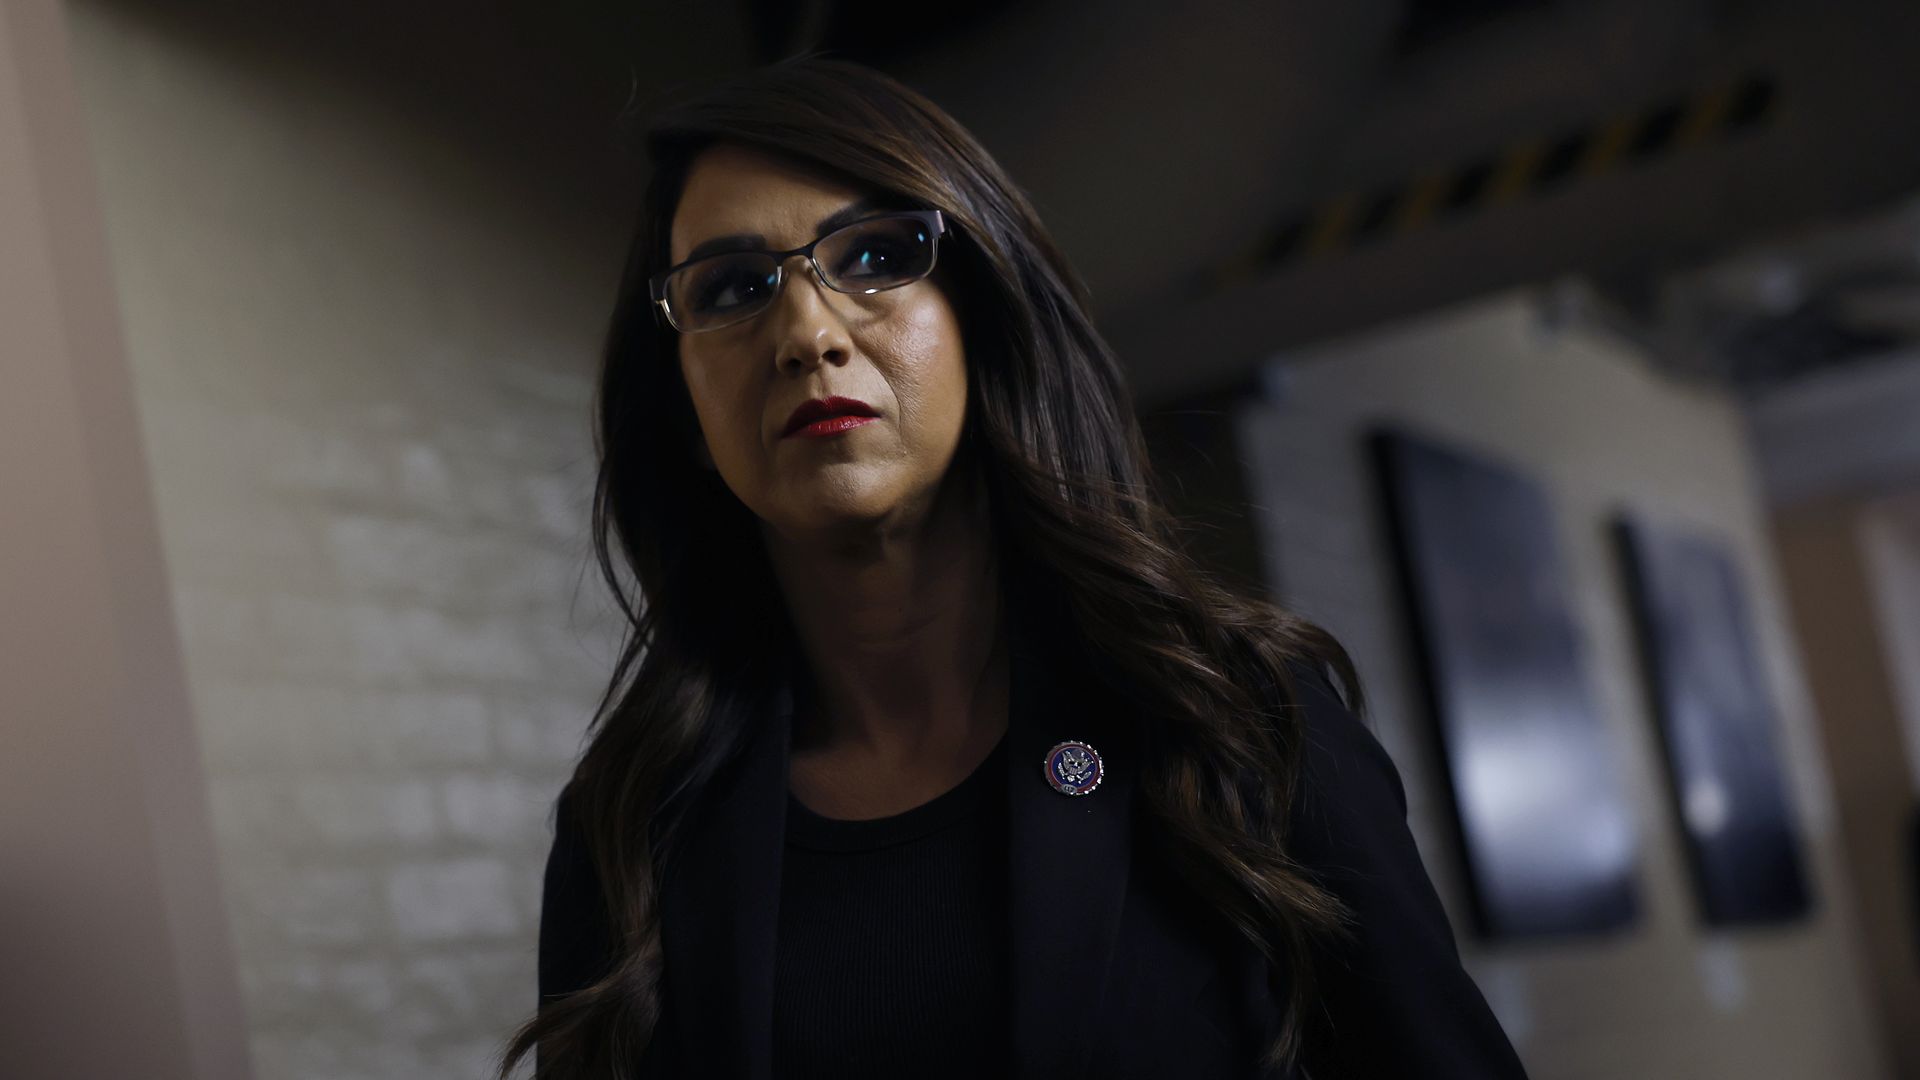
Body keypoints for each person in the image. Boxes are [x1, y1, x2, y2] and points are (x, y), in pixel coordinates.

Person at [500, 57, 1529, 1080]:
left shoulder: (1233, 724)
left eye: (869, 259)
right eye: (732, 287)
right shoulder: (632, 831)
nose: (807, 334)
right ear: (679, 407)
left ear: (982, 323)